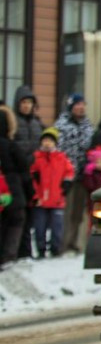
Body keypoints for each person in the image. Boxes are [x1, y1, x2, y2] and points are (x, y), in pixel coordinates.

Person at [54, 93, 94, 254]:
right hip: (66, 177)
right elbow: (58, 152)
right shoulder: (61, 126)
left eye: (83, 104)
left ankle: (75, 243)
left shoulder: (88, 126)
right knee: (66, 212)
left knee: (78, 213)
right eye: (77, 104)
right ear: (71, 107)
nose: (81, 107)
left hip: (83, 176)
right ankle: (62, 244)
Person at [29, 127, 74, 258]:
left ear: (55, 143)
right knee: (39, 227)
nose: (47, 143)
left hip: (57, 198)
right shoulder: (36, 158)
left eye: (50, 141)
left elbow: (69, 172)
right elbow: (32, 176)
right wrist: (35, 194)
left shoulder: (61, 158)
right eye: (45, 140)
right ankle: (41, 249)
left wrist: (66, 186)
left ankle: (56, 248)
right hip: (40, 199)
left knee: (57, 227)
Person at [12, 85, 43, 259]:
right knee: (19, 213)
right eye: (23, 102)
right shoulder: (14, 122)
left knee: (31, 214)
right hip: (19, 173)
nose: (26, 106)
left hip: (35, 175)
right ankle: (18, 250)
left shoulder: (37, 124)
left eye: (29, 102)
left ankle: (26, 250)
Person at [0, 105, 29, 267]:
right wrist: (30, 193)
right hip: (14, 190)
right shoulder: (12, 146)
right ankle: (9, 258)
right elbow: (24, 169)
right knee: (15, 224)